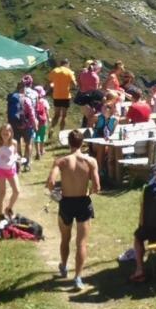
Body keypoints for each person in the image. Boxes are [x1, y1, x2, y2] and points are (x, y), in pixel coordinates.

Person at [48, 132, 101, 287]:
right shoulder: (90, 161)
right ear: (82, 143)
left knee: (65, 238)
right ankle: (78, 277)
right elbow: (97, 187)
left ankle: (64, 266)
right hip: (83, 202)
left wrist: (57, 192)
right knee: (82, 243)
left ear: (68, 143)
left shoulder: (61, 161)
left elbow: (51, 182)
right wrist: (87, 191)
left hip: (66, 202)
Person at [0, 123, 21, 219]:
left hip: (11, 169)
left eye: (8, 132)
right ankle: (0, 214)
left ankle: (9, 208)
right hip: (0, 170)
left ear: (11, 133)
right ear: (0, 133)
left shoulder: (15, 143)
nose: (6, 133)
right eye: (3, 132)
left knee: (17, 191)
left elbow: (15, 155)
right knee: (2, 192)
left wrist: (18, 159)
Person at [48, 59, 78, 134]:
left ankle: (51, 128)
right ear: (67, 64)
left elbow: (50, 82)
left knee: (56, 114)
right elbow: (75, 84)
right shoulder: (69, 72)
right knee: (64, 116)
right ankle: (61, 132)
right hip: (66, 96)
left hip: (56, 95)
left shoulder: (55, 71)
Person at [74, 60, 104, 128]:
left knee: (86, 117)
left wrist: (82, 88)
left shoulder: (83, 72)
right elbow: (95, 91)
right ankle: (87, 133)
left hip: (81, 96)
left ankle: (83, 130)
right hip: (90, 99)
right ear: (98, 68)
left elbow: (78, 81)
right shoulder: (95, 77)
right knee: (90, 118)